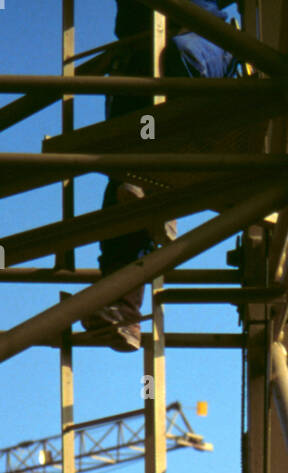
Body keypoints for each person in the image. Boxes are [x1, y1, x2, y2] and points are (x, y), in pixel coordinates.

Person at [82, 1, 240, 352]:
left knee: (179, 55)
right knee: (122, 185)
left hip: (199, 42)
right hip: (144, 51)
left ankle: (163, 186)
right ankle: (121, 307)